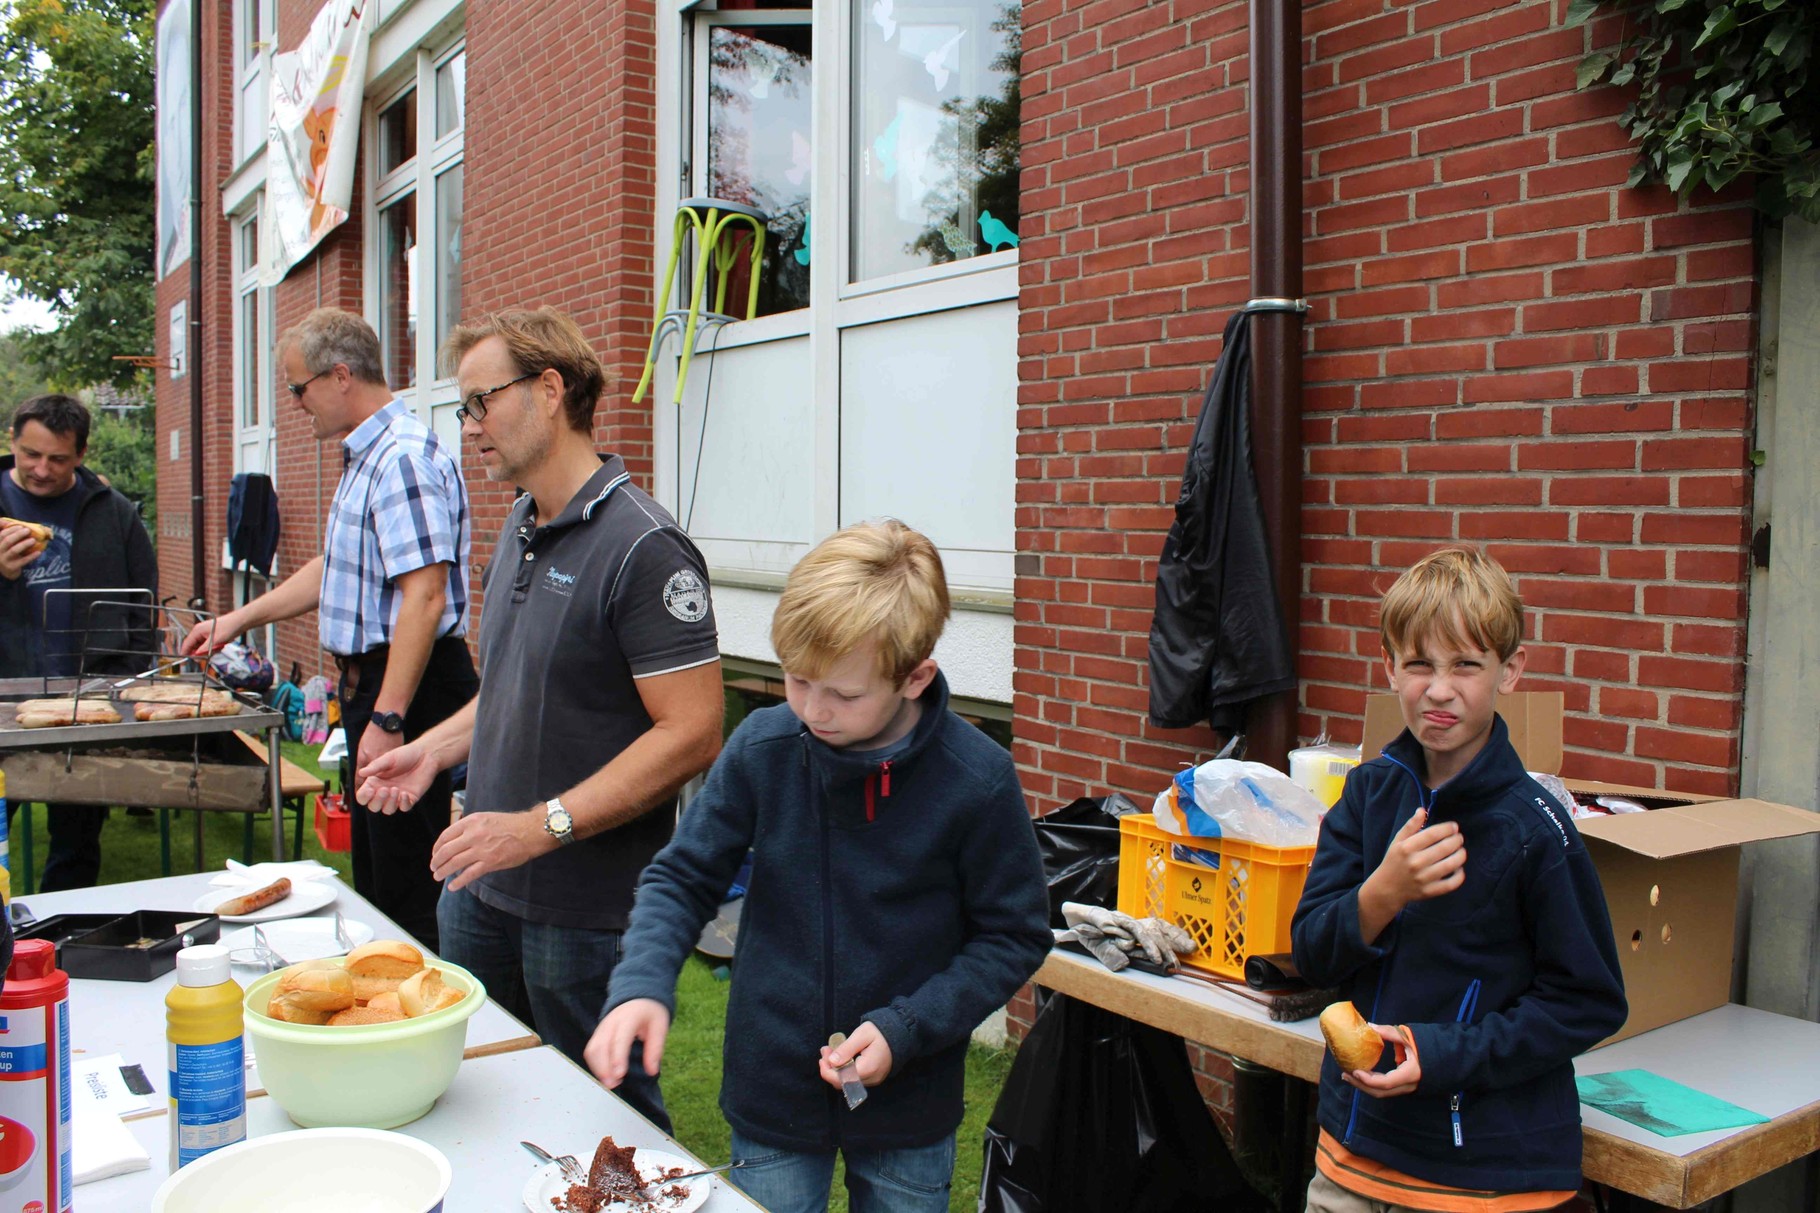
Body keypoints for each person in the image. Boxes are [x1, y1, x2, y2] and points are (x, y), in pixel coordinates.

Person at [585, 520, 1051, 1213]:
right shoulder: (765, 746)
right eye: (797, 680)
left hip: (909, 1107)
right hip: (773, 1093)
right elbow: (681, 876)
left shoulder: (976, 780)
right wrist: (643, 982)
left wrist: (908, 1027)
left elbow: (1013, 936)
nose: (812, 708)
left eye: (843, 693)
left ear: (915, 675)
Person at [354, 307, 724, 1130]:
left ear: (550, 390)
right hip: (482, 886)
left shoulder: (645, 548)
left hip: (584, 913)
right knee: (477, 1104)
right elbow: (514, 689)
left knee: (609, 1128)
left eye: (481, 403)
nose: (472, 428)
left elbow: (693, 731)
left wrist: (538, 826)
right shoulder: (523, 523)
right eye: (466, 410)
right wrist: (430, 749)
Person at [1290, 547, 1627, 1212]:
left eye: (1465, 664)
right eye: (1418, 663)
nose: (1438, 688)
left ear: (1510, 670)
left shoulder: (1537, 830)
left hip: (1484, 1180)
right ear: (1389, 666)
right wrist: (1381, 893)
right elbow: (1310, 952)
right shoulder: (1366, 795)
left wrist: (1439, 1052)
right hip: (1352, 1164)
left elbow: (1587, 1001)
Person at [180, 308, 476, 949]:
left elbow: (423, 599)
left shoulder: (401, 459)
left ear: (341, 375)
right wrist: (236, 620)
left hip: (410, 689)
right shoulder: (366, 458)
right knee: (378, 879)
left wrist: (390, 718)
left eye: (297, 388)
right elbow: (335, 569)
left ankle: (427, 1023)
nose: (294, 404)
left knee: (410, 887)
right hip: (379, 686)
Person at [0, 394, 158, 889]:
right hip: (3, 694)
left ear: (82, 454)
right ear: (12, 442)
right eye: (31, 454)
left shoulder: (114, 513)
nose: (42, 470)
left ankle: (62, 941)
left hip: (86, 698)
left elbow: (142, 602)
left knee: (76, 842)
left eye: (58, 459)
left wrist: (126, 680)